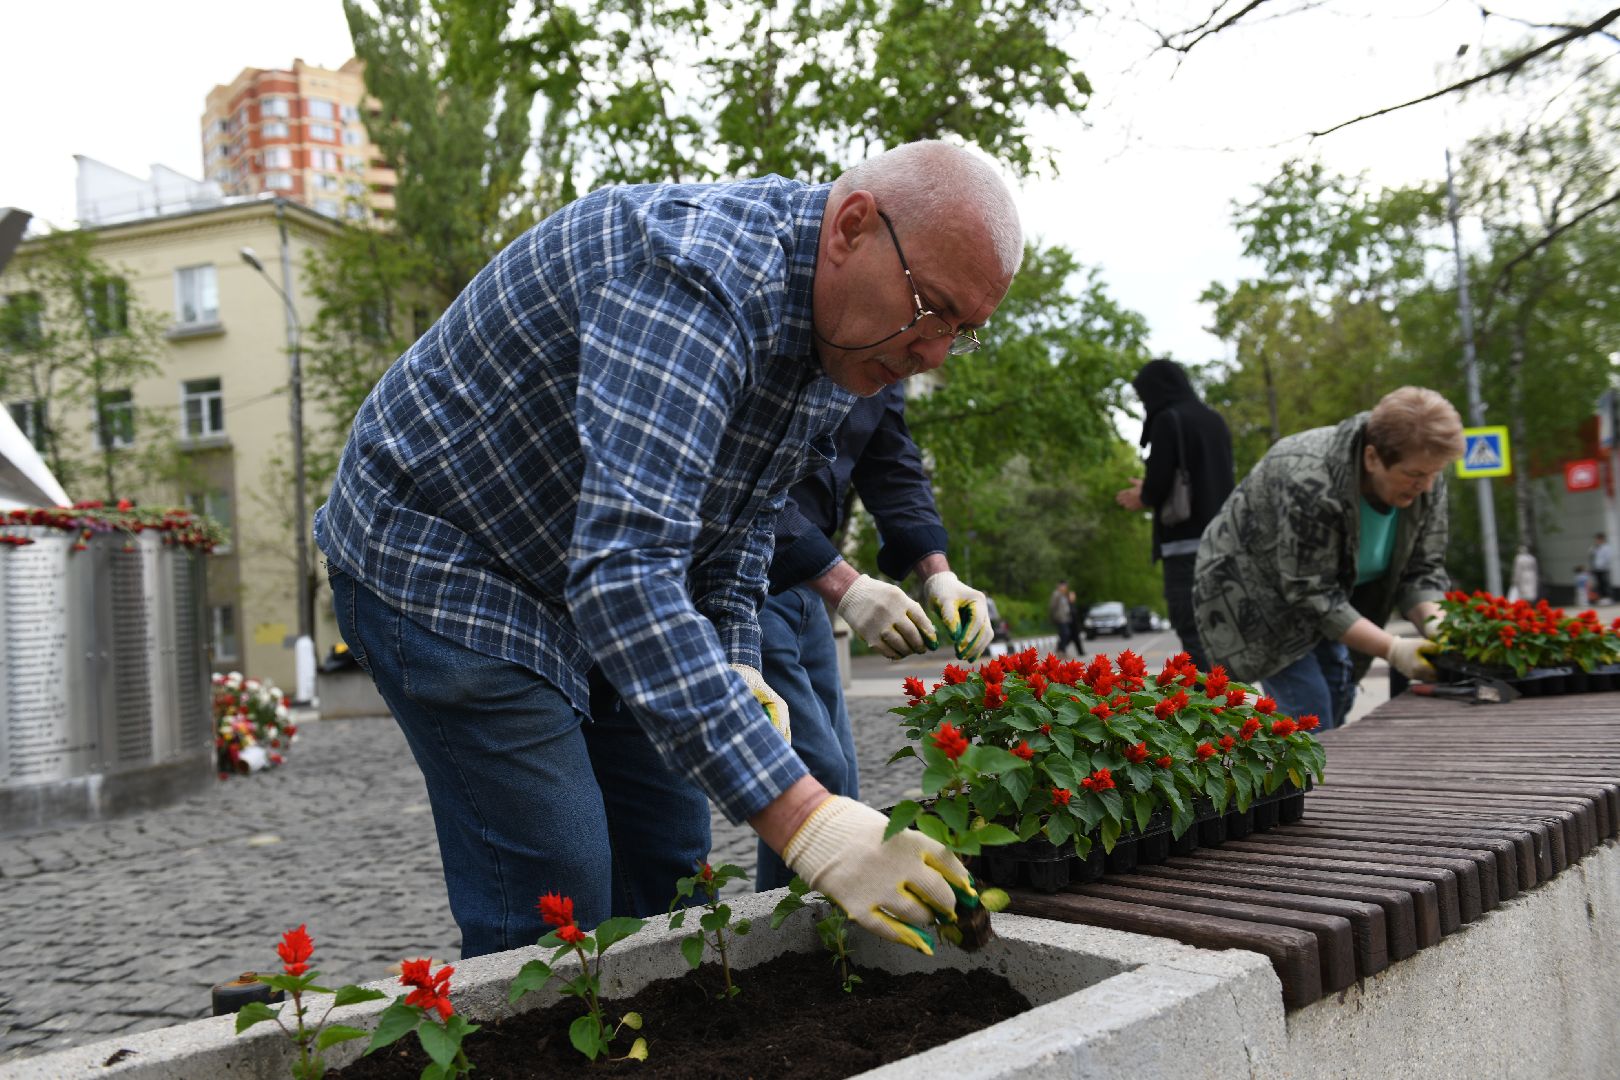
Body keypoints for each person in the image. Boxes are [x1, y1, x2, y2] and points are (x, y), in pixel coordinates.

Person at [314, 140, 1023, 958]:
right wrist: (806, 820)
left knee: (672, 859)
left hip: (574, 565)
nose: (931, 353)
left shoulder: (841, 341)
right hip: (445, 553)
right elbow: (624, 575)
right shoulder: (697, 278)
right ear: (852, 227)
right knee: (559, 890)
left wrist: (735, 653)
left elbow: (742, 515)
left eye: (961, 331)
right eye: (930, 307)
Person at [754, 383, 992, 892]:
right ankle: (790, 933)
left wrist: (937, 571)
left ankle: (810, 931)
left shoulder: (896, 353)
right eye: (942, 319)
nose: (935, 355)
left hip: (808, 584)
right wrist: (847, 584)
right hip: (745, 577)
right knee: (817, 771)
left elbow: (892, 466)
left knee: (841, 778)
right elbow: (741, 480)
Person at [1194, 386, 1465, 730]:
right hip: (1252, 591)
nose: (1426, 486)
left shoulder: (1425, 476)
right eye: (1414, 475)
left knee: (1339, 690)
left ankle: (1319, 775)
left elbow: (1421, 572)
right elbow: (1310, 593)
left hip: (1326, 591)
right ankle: (1303, 781)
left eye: (1433, 474)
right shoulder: (1309, 479)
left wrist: (1438, 627)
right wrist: (1395, 650)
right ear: (1371, 458)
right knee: (1310, 711)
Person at [1117, 358, 1234, 672]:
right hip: (1224, 545)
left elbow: (1157, 486)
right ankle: (1229, 703)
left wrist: (1142, 495)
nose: (1145, 405)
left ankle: (1209, 714)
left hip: (1185, 548)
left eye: (1143, 398)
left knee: (1193, 632)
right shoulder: (1214, 420)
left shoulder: (1168, 420)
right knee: (1222, 631)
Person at [1050, 579, 1078, 656]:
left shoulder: (1064, 595)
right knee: (1065, 633)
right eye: (1064, 586)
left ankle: (1061, 650)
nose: (1065, 588)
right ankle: (1061, 650)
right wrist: (1054, 617)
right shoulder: (1056, 594)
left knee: (1064, 634)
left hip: (1066, 618)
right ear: (1059, 586)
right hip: (1060, 618)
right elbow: (1053, 606)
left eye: (1066, 586)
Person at [1590, 534, 1612, 603]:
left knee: (1605, 583)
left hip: (1604, 568)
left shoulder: (1607, 547)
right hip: (1596, 568)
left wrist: (1603, 565)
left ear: (1602, 539)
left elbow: (1608, 558)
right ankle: (1601, 598)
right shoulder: (1595, 547)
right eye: (1596, 539)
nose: (1597, 541)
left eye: (1598, 539)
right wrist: (1595, 547)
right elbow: (1591, 554)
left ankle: (1607, 598)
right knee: (1598, 584)